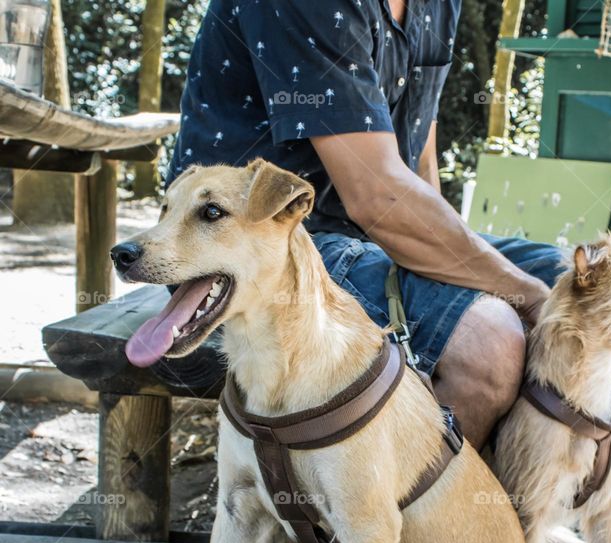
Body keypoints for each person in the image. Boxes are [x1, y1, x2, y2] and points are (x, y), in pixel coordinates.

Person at [167, 0, 564, 448]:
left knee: (573, 281)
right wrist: (526, 296)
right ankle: (403, 512)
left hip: (369, 232)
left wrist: (455, 267)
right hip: (255, 249)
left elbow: (419, 157)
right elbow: (376, 198)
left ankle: (523, 498)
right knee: (486, 343)